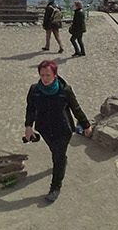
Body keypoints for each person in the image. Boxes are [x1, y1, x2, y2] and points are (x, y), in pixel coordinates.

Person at [24, 61, 91, 203]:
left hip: (63, 129)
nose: (45, 78)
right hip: (45, 129)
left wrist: (86, 125)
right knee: (55, 151)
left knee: (57, 157)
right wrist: (28, 126)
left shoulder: (64, 90)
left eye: (48, 75)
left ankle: (55, 187)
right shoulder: (34, 90)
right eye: (42, 75)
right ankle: (62, 161)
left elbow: (76, 108)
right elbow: (30, 109)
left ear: (55, 75)